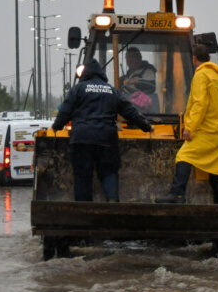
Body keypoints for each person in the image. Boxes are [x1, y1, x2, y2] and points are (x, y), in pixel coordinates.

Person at [52, 58, 153, 202]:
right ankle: (112, 203)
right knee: (109, 172)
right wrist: (146, 126)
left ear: (85, 74)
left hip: (82, 139)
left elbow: (65, 111)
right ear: (101, 74)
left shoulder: (77, 90)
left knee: (82, 174)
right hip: (106, 139)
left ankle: (83, 208)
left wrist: (57, 126)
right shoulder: (112, 91)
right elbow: (130, 111)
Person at [156, 44, 218, 204]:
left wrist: (189, 128)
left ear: (194, 59)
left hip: (207, 130)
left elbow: (199, 103)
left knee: (184, 155)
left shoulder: (201, 76)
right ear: (209, 58)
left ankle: (177, 194)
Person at [121, 47, 158, 113]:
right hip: (129, 110)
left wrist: (137, 81)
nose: (131, 61)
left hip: (147, 111)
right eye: (128, 59)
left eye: (134, 57)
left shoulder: (148, 71)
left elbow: (150, 86)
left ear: (139, 58)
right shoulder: (127, 75)